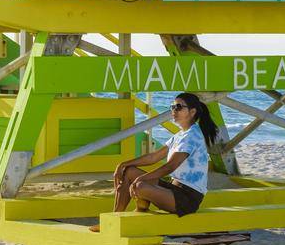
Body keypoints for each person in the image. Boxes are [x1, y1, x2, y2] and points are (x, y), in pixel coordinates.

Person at [88, 92, 219, 232]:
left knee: (140, 186)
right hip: (174, 189)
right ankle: (113, 220)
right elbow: (154, 157)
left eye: (179, 107)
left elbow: (169, 167)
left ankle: (141, 208)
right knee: (129, 171)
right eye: (172, 107)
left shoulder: (192, 136)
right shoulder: (180, 135)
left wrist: (141, 178)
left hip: (187, 198)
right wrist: (124, 164)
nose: (174, 110)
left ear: (192, 112)